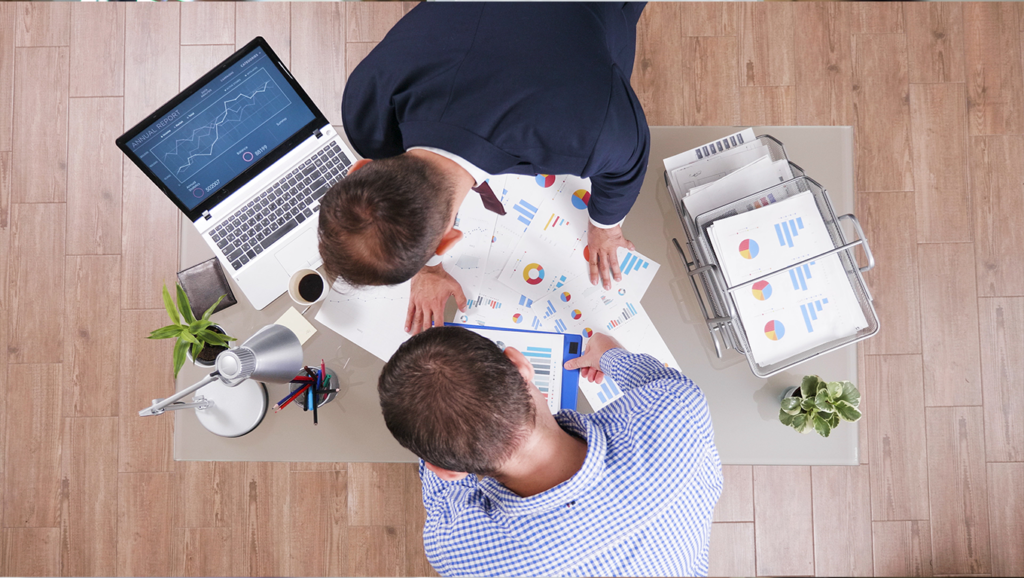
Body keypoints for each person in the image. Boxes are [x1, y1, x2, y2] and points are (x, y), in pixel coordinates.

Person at [319, 3, 651, 334]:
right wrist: (428, 265)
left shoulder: (593, 132)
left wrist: (606, 228)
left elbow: (628, 162)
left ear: (449, 241)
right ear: (357, 168)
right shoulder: (366, 106)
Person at [377, 327, 723, 576]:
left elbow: (445, 495)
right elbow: (661, 381)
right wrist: (609, 355)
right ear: (521, 365)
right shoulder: (679, 413)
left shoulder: (455, 548)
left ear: (445, 470)